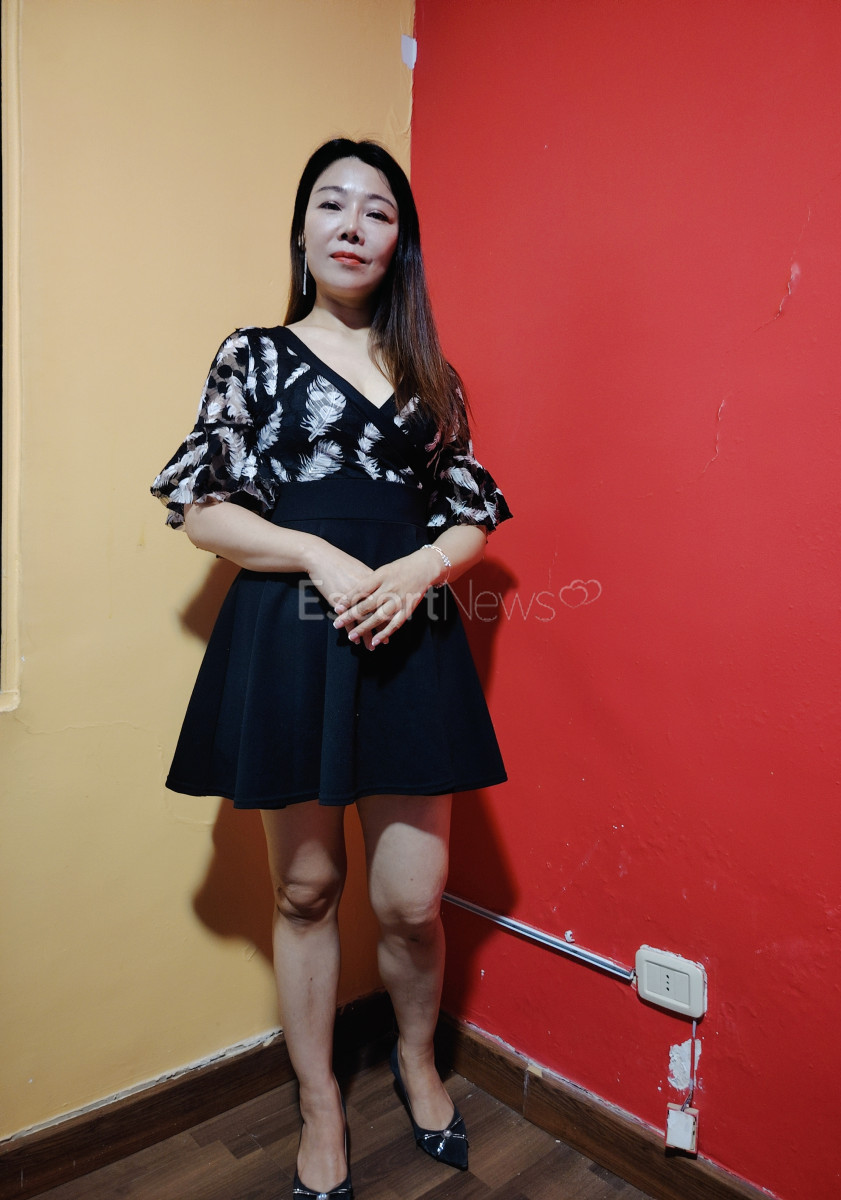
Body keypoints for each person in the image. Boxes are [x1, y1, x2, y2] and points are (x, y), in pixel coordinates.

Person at [151, 138, 511, 1199]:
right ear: (302, 230)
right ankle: (320, 1105)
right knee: (306, 890)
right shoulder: (253, 356)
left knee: (411, 900)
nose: (353, 225)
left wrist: (422, 567)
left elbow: (471, 513)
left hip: (412, 636)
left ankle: (414, 1058)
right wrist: (315, 551)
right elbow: (203, 513)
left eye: (378, 211)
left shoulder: (432, 376)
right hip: (292, 634)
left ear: (401, 243)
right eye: (331, 204)